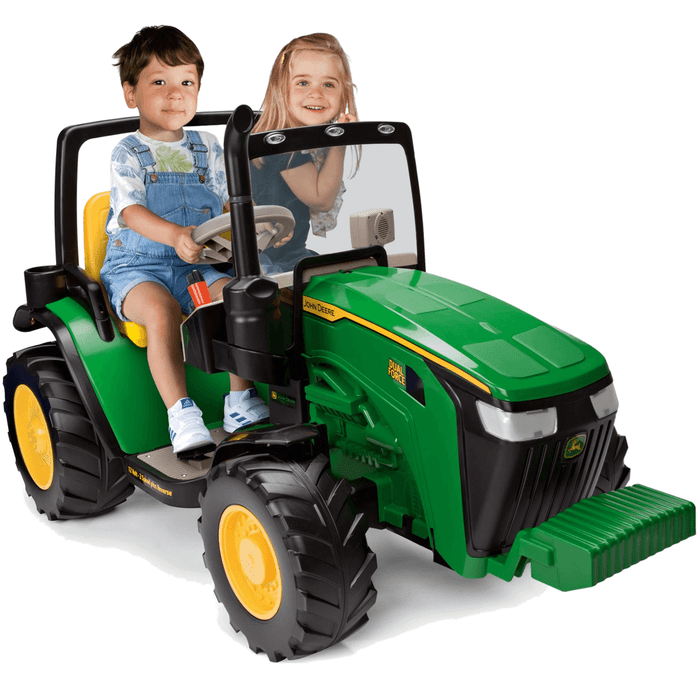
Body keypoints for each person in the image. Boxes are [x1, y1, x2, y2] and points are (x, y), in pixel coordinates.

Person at [101, 26, 268, 453]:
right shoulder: (128, 152)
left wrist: (252, 229)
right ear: (130, 93)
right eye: (159, 82)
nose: (175, 94)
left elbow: (227, 203)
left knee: (238, 297)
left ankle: (240, 401)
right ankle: (181, 413)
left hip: (199, 263)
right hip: (139, 267)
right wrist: (175, 234)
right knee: (163, 311)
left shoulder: (208, 146)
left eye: (186, 83)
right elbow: (130, 212)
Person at [251, 33, 358, 273]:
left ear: (343, 94)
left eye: (328, 85)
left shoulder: (306, 140)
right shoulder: (280, 143)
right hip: (258, 261)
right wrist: (340, 142)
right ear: (281, 89)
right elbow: (321, 198)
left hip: (291, 254)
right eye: (303, 83)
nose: (316, 94)